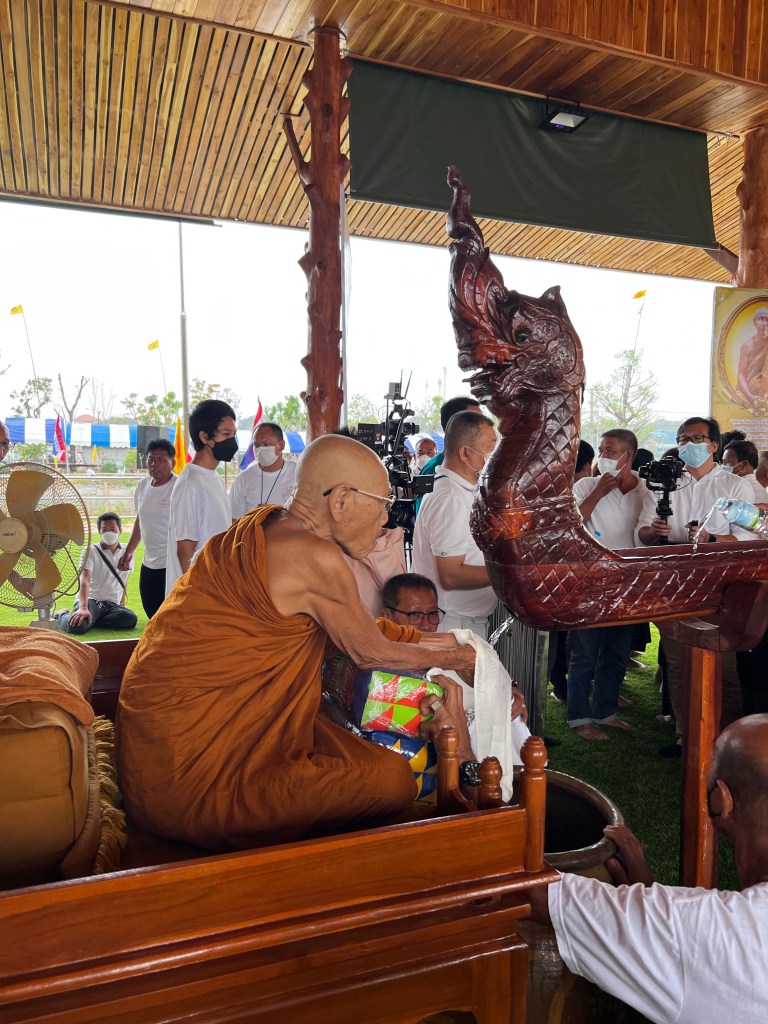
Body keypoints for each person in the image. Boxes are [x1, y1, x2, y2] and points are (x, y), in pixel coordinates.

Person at [117, 434, 476, 851]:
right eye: (383, 503)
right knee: (393, 781)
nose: (385, 519)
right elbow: (368, 650)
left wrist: (437, 640)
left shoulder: (265, 526)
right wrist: (459, 658)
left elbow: (358, 628)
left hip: (166, 747)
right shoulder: (312, 554)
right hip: (196, 774)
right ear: (341, 500)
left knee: (364, 758)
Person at [527, 714, 768, 1024]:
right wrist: (650, 899)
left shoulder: (708, 933)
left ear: (722, 800)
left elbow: (533, 895)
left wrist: (650, 907)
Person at [636, 416, 752, 755]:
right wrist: (654, 532)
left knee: (722, 664)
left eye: (697, 438)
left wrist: (712, 539)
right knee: (677, 662)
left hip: (721, 584)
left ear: (714, 445)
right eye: (683, 439)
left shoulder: (735, 486)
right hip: (674, 581)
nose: (689, 444)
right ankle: (686, 738)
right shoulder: (666, 482)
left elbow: (750, 537)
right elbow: (641, 533)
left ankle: (727, 743)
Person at [567, 429, 645, 741]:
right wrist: (598, 491)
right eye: (601, 450)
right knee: (585, 652)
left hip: (628, 583)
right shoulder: (586, 485)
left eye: (610, 450)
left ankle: (606, 712)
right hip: (590, 582)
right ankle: (578, 717)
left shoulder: (645, 489)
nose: (603, 457)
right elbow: (571, 527)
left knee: (616, 651)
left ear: (629, 456)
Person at [412, 410, 498, 639]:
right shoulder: (451, 498)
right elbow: (450, 575)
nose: (495, 457)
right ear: (465, 453)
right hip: (452, 624)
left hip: (463, 621)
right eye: (490, 449)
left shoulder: (460, 490)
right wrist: (509, 573)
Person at [165, 399, 237, 597]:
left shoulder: (214, 478)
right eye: (226, 434)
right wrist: (199, 600)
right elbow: (185, 552)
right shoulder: (190, 484)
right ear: (205, 437)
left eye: (233, 435)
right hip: (197, 596)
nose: (232, 442)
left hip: (218, 589)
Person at [118, 439, 177, 618]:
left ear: (173, 463)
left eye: (161, 460)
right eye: (151, 459)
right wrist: (128, 552)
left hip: (172, 563)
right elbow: (140, 520)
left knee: (172, 614)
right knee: (151, 610)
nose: (154, 464)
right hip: (149, 561)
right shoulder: (143, 485)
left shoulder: (179, 487)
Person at [58, 512, 137, 634]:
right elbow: (85, 580)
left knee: (130, 619)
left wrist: (122, 604)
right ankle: (61, 615)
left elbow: (124, 579)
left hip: (112, 604)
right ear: (99, 532)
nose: (108, 533)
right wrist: (83, 607)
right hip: (91, 600)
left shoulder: (128, 552)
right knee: (77, 627)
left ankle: (91, 621)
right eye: (104, 530)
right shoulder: (90, 551)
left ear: (120, 531)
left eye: (113, 529)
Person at [414, 396, 482, 513]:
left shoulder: (469, 466)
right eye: (476, 421)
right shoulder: (433, 469)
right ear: (456, 425)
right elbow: (424, 515)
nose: (483, 426)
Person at [229, 421, 297, 518]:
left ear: (281, 445)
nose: (260, 449)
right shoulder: (243, 478)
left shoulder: (299, 474)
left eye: (266, 444)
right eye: (256, 445)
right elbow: (235, 519)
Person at [722, 437, 768, 507]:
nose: (723, 466)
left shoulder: (740, 487)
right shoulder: (761, 490)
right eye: (723, 462)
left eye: (727, 462)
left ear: (744, 464)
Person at [737, 306, 768, 404]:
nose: (764, 323)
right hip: (749, 393)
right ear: (754, 322)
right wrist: (750, 397)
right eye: (761, 319)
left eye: (767, 320)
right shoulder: (747, 346)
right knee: (735, 399)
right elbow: (741, 374)